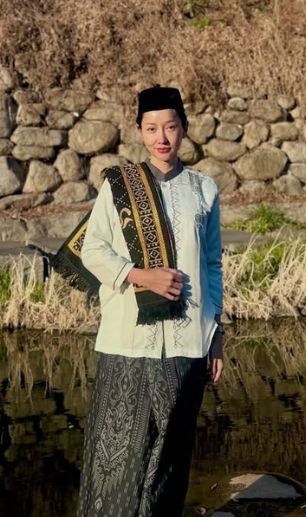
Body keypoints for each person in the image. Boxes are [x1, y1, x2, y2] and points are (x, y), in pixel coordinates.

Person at [75, 86, 224, 516]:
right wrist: (141, 276)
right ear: (139, 131)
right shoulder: (119, 186)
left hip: (186, 341)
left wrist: (216, 336)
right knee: (115, 456)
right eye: (152, 128)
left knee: (170, 457)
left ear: (184, 129)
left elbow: (212, 265)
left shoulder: (203, 189)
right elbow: (92, 249)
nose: (162, 137)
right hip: (127, 341)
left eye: (170, 127)